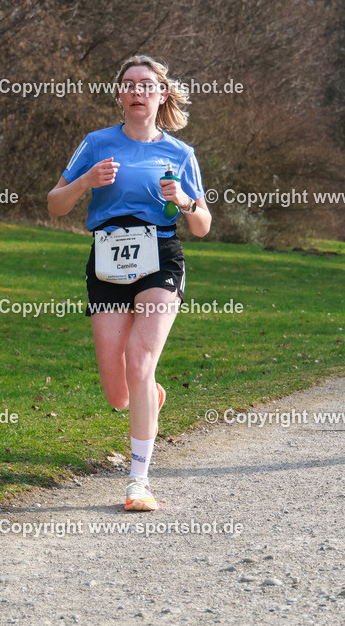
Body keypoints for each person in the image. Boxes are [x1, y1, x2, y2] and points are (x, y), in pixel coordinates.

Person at [47, 55, 211, 511]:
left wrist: (183, 199)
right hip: (107, 260)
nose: (137, 90)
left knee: (139, 361)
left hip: (160, 255)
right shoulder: (96, 144)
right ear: (120, 95)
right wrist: (84, 182)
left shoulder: (181, 154)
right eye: (128, 84)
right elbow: (54, 205)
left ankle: (138, 481)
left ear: (161, 95)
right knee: (119, 392)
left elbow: (202, 226)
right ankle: (148, 396)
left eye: (146, 84)